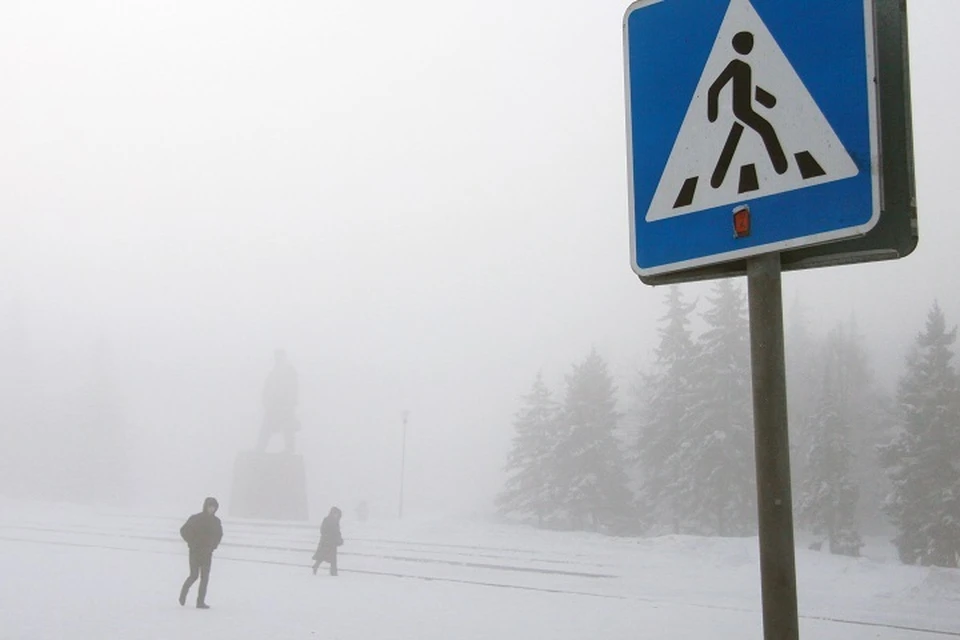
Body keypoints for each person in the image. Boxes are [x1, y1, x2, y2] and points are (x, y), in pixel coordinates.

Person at [179, 497, 223, 609]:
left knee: (205, 578)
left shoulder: (216, 522)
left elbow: (219, 535)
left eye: (213, 507)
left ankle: (200, 602)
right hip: (195, 552)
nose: (211, 509)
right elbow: (184, 530)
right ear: (205, 506)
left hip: (207, 553)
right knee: (194, 575)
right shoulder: (195, 518)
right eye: (210, 506)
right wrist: (192, 542)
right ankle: (183, 594)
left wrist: (213, 546)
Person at [257, 349, 300, 453]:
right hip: (274, 406)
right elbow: (267, 388)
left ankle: (289, 449)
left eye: (279, 356)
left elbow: (294, 387)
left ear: (283, 357)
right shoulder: (273, 373)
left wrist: (290, 402)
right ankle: (260, 448)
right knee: (266, 428)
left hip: (285, 406)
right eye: (276, 356)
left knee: (288, 429)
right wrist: (266, 401)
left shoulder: (289, 370)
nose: (277, 358)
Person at [312, 507, 344, 576]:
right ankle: (316, 566)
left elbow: (337, 532)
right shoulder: (327, 520)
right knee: (322, 556)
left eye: (337, 514)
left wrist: (339, 539)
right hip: (326, 542)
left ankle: (333, 572)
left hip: (332, 542)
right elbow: (323, 530)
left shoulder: (336, 521)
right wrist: (328, 536)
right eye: (335, 513)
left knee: (332, 558)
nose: (336, 515)